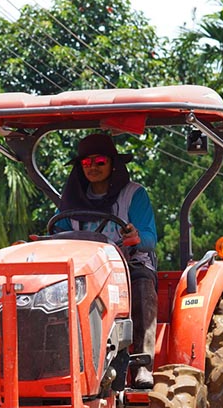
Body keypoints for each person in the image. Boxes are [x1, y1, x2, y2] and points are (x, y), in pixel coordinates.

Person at [54, 133, 159, 389]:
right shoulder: (70, 200)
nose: (93, 167)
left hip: (129, 264)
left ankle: (142, 364)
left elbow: (149, 237)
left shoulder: (133, 195)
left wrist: (135, 237)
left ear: (113, 164)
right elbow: (58, 231)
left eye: (100, 161)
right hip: (85, 271)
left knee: (142, 281)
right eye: (86, 162)